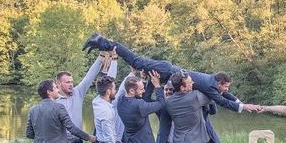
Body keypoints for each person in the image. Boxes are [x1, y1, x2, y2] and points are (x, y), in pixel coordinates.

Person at [82, 33, 261, 113]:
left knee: (146, 97)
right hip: (164, 70)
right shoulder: (209, 86)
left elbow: (225, 94)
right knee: (135, 61)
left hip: (164, 74)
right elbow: (221, 100)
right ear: (219, 83)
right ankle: (102, 41)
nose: (225, 89)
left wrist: (240, 102)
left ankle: (139, 112)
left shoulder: (213, 83)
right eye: (225, 86)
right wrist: (243, 107)